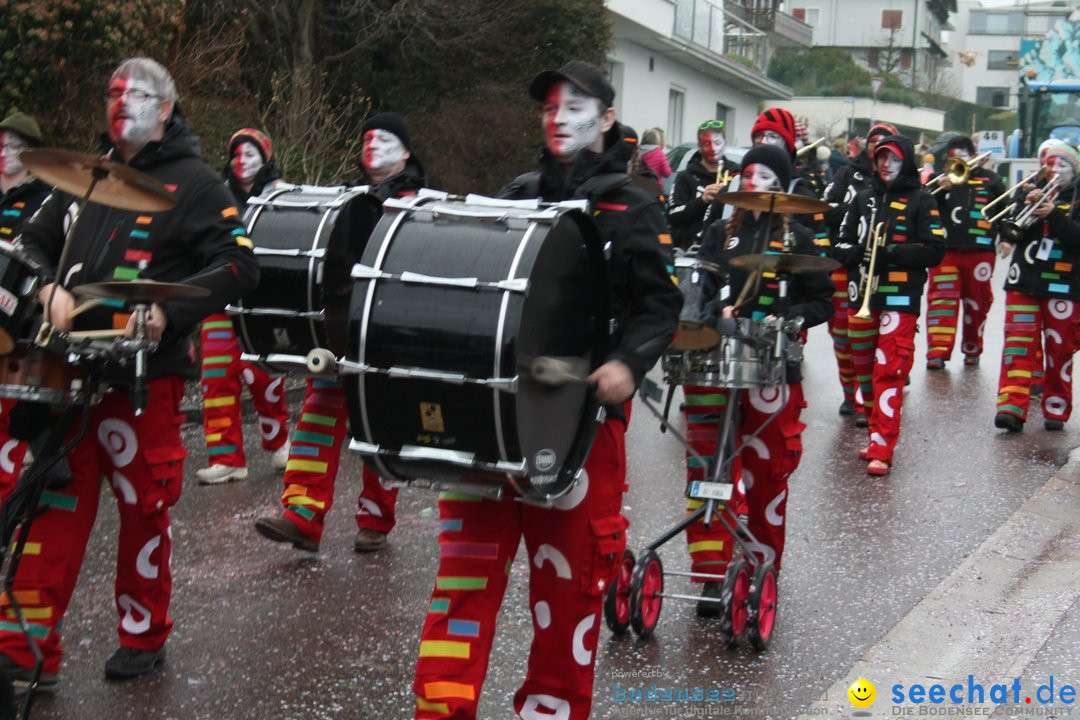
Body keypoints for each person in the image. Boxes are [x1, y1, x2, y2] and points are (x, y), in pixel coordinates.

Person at [411, 60, 681, 720]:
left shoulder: (636, 204)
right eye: (549, 107)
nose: (557, 117)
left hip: (584, 430)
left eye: (573, 105)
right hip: (493, 422)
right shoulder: (517, 191)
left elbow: (660, 305)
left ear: (606, 118)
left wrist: (627, 364)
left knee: (568, 592)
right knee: (463, 580)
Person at [0, 57, 258, 689]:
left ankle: (144, 633)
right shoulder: (83, 177)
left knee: (146, 506)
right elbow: (28, 244)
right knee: (53, 504)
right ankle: (24, 650)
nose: (120, 103)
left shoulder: (196, 183)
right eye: (112, 92)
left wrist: (167, 313)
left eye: (136, 94)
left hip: (146, 377)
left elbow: (237, 265)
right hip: (68, 371)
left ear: (165, 108)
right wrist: (45, 289)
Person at [254, 111, 425, 553]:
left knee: (380, 427)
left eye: (385, 138)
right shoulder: (346, 199)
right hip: (339, 328)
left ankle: (376, 520)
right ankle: (301, 515)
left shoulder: (425, 204)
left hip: (388, 331)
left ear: (405, 151)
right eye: (368, 137)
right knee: (317, 415)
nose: (373, 145)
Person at [688, 144, 832, 608]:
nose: (754, 181)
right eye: (748, 173)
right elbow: (698, 293)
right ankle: (710, 573)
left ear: (781, 184)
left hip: (774, 365)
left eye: (765, 175)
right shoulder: (717, 233)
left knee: (767, 471)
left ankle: (761, 566)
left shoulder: (800, 240)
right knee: (708, 464)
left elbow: (822, 302)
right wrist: (715, 312)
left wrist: (790, 321)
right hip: (718, 362)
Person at [832, 133, 945, 475]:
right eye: (881, 157)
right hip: (861, 295)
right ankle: (876, 433)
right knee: (864, 369)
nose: (885, 164)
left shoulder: (922, 200)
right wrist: (854, 254)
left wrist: (892, 253)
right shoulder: (862, 198)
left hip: (900, 298)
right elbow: (841, 241)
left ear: (906, 162)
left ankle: (883, 445)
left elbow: (935, 249)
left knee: (889, 369)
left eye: (893, 158)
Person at [196, 128, 290, 484]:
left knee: (262, 373)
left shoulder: (282, 194)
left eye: (250, 153)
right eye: (236, 153)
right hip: (221, 297)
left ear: (264, 157)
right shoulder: (216, 196)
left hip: (262, 299)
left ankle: (279, 441)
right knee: (217, 376)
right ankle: (226, 458)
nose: (241, 160)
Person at [993, 143, 1080, 432]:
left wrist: (1053, 214)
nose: (1054, 172)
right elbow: (1008, 229)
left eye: (1061, 166)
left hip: (1064, 286)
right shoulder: (1030, 190)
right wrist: (1023, 204)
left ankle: (1056, 405)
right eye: (1048, 165)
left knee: (1060, 350)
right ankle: (1011, 407)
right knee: (1017, 345)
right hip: (1022, 281)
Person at [822, 123, 899, 424]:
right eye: (873, 143)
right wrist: (858, 208)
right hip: (845, 265)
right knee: (843, 333)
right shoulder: (845, 174)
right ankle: (848, 392)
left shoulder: (902, 179)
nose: (877, 150)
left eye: (884, 144)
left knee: (884, 337)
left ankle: (876, 398)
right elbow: (826, 210)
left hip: (885, 269)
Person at [0, 111, 55, 496]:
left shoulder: (46, 200)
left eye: (13, 146)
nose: (4, 152)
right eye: (0, 145)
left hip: (21, 323)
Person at [925, 135, 1006, 370]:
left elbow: (1003, 211)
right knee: (941, 301)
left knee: (977, 303)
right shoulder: (937, 180)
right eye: (954, 155)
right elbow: (922, 207)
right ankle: (937, 353)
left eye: (963, 154)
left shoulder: (991, 180)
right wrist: (940, 190)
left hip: (980, 251)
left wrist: (1007, 238)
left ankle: (972, 349)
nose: (959, 159)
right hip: (945, 250)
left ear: (973, 155)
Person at [667, 118, 735, 248]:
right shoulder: (685, 177)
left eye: (717, 142)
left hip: (726, 246)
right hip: (691, 248)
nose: (713, 148)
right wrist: (702, 201)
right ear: (699, 147)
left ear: (725, 143)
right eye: (706, 144)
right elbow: (673, 217)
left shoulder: (736, 173)